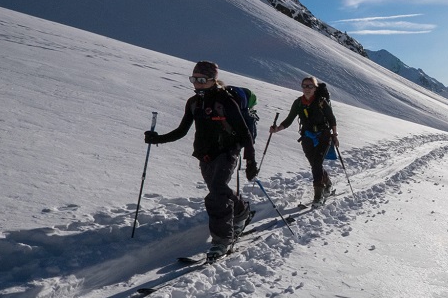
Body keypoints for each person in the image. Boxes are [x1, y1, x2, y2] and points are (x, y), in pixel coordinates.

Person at [144, 61, 259, 261]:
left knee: (216, 193)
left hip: (227, 151)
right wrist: (157, 139)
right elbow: (181, 131)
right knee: (219, 190)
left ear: (213, 80)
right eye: (194, 79)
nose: (197, 83)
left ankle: (221, 241)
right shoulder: (193, 103)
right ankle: (241, 212)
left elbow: (245, 133)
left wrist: (250, 161)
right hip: (205, 154)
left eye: (202, 79)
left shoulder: (226, 101)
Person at [269, 76, 339, 208]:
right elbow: (289, 120)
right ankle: (327, 183)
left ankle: (318, 196)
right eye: (304, 86)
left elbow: (331, 118)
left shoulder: (321, 102)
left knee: (317, 162)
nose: (307, 88)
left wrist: (334, 135)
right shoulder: (298, 103)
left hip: (323, 135)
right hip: (307, 135)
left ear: (315, 88)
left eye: (310, 86)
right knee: (314, 164)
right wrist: (277, 129)